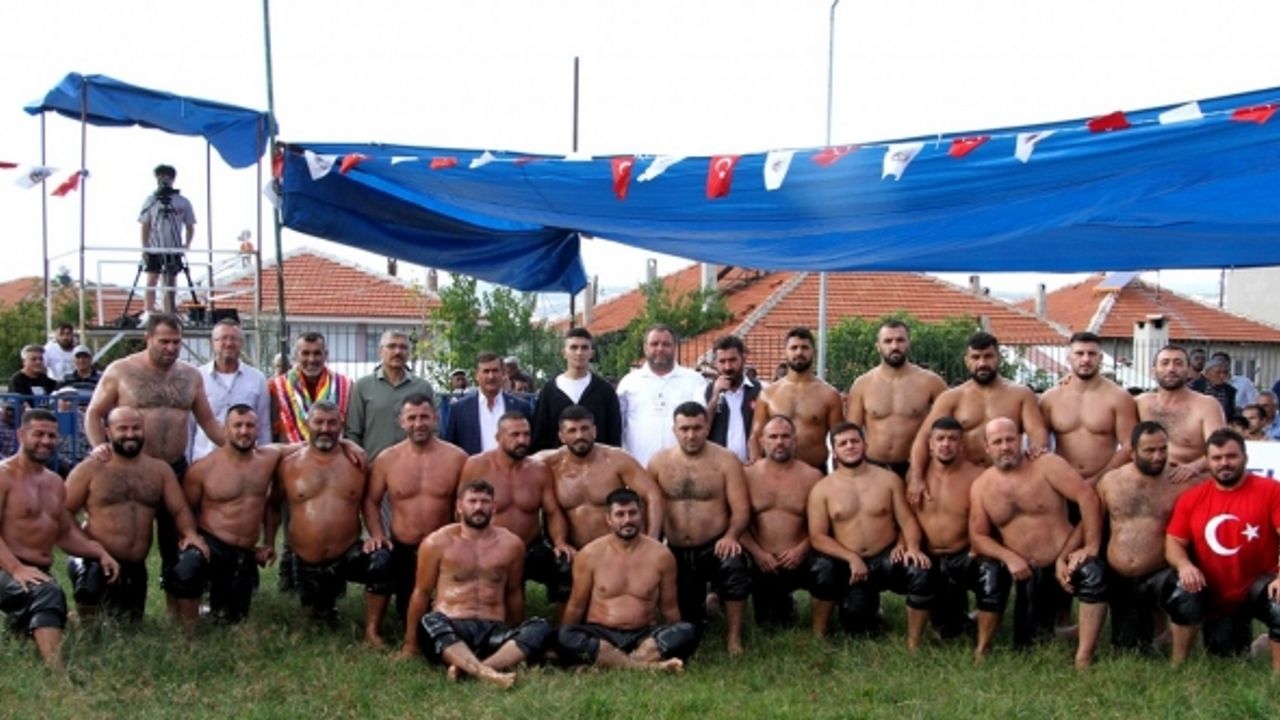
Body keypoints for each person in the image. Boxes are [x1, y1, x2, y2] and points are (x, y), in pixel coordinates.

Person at [85, 313, 224, 616]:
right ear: (147, 338)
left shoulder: (190, 376)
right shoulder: (121, 370)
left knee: (178, 539)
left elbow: (209, 422)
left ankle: (178, 606)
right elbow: (94, 412)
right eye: (164, 341)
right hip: (133, 470)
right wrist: (98, 447)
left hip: (176, 469)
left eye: (176, 342)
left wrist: (239, 445)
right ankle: (116, 604)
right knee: (126, 539)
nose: (171, 348)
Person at [968, 417, 1106, 667]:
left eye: (1010, 439)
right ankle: (1059, 632)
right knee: (1029, 645)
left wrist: (1089, 546)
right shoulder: (981, 486)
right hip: (1027, 570)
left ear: (1021, 439)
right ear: (986, 447)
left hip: (1065, 556)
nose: (1005, 446)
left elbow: (1087, 498)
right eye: (997, 442)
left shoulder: (1046, 465)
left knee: (1093, 573)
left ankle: (1083, 656)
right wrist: (1009, 557)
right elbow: (978, 536)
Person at [399, 480, 552, 688]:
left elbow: (513, 593)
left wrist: (514, 634)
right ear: (459, 506)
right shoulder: (437, 543)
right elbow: (421, 593)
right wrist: (410, 645)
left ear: (494, 507)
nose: (479, 507)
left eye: (485, 502)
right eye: (472, 501)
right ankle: (486, 672)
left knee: (541, 626)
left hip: (493, 630)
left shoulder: (511, 544)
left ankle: (475, 669)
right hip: (451, 628)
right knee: (429, 621)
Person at [64, 407, 208, 626]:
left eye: (136, 428)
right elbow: (63, 513)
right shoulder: (89, 469)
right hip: (95, 559)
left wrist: (190, 533)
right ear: (108, 432)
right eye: (122, 429)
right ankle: (85, 629)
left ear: (144, 430)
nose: (130, 434)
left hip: (134, 566)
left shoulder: (159, 470)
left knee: (129, 625)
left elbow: (179, 509)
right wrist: (88, 547)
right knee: (90, 586)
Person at [0, 409, 119, 668]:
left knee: (49, 603)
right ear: (21, 435)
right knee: (47, 593)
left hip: (36, 569)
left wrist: (99, 552)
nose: (45, 441)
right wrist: (16, 568)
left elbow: (64, 533)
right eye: (38, 434)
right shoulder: (3, 476)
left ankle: (19, 628)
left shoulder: (54, 482)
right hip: (6, 566)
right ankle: (59, 677)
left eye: (51, 436)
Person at [269, 401, 391, 645]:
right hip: (305, 559)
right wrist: (268, 542)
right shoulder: (288, 464)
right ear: (307, 424)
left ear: (341, 425)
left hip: (346, 554)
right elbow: (272, 506)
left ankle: (372, 631)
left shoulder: (358, 462)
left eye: (332, 423)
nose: (325, 428)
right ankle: (321, 604)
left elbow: (369, 503)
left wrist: (377, 535)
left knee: (382, 561)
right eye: (319, 422)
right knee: (316, 620)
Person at [807, 422, 933, 649]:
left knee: (920, 570)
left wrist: (911, 547)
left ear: (865, 445)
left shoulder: (889, 480)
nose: (850, 446)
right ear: (834, 452)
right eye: (843, 443)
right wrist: (851, 558)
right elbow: (817, 537)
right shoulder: (822, 489)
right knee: (857, 625)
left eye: (854, 441)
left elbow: (907, 521)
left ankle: (914, 643)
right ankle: (819, 635)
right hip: (848, 565)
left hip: (885, 557)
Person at [1165, 428, 1280, 672]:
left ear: (1245, 458)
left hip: (1259, 587)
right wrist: (1184, 565)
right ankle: (1178, 667)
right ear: (1207, 462)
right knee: (1226, 655)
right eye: (1217, 458)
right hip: (1215, 592)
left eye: (1231, 456)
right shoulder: (1192, 498)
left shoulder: (1272, 490)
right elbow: (1174, 542)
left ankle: (1277, 675)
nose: (1224, 463)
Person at [535, 405, 664, 612]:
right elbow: (512, 468)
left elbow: (652, 495)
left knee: (620, 614)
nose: (580, 435)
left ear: (594, 431)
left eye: (585, 429)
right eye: (572, 430)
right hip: (572, 551)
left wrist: (652, 540)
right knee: (569, 611)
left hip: (616, 548)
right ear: (561, 436)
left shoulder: (617, 459)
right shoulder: (547, 463)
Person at [178, 404, 299, 625]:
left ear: (257, 429)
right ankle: (187, 633)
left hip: (244, 551)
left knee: (233, 620)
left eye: (250, 425)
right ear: (225, 429)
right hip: (212, 544)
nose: (244, 431)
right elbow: (183, 509)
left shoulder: (268, 458)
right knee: (189, 565)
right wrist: (190, 537)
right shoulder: (203, 468)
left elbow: (310, 445)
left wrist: (347, 445)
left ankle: (217, 606)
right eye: (238, 425)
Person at [648, 401, 751, 655]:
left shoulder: (726, 460)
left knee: (734, 566)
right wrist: (651, 543)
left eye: (697, 428)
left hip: (714, 545)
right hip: (675, 549)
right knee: (691, 623)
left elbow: (741, 509)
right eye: (684, 429)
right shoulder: (659, 462)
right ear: (674, 430)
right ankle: (705, 607)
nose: (691, 435)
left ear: (707, 428)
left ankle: (734, 638)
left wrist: (731, 536)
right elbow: (649, 506)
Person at [557, 487, 698, 672]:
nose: (627, 520)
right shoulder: (589, 554)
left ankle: (610, 663)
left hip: (643, 636)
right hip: (601, 635)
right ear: (609, 519)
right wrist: (564, 641)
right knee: (565, 636)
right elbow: (576, 606)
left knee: (687, 630)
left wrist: (675, 636)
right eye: (620, 514)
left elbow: (669, 607)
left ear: (641, 515)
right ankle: (644, 666)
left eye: (633, 513)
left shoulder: (661, 556)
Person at [1095, 421, 1206, 654]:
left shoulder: (1183, 482)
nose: (1158, 456)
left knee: (1187, 590)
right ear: (1132, 452)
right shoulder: (1110, 481)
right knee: (1128, 649)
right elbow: (1093, 522)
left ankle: (1179, 660)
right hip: (1120, 575)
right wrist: (1075, 552)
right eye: (1150, 451)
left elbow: (1223, 488)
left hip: (1160, 572)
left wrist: (1196, 468)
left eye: (1163, 449)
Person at [908, 331, 1050, 506]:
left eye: (988, 356)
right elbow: (924, 437)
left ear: (998, 358)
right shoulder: (952, 398)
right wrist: (916, 477)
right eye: (975, 357)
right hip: (965, 480)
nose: (982, 363)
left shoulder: (1021, 395)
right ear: (967, 361)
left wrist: (1032, 469)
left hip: (1008, 477)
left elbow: (1038, 434)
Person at [363, 394, 466, 619]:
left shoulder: (457, 458)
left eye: (424, 417)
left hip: (444, 548)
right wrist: (378, 535)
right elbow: (371, 500)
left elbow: (465, 505)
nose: (418, 424)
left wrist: (461, 540)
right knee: (407, 614)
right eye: (412, 418)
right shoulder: (387, 459)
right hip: (402, 547)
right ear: (401, 421)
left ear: (435, 418)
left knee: (445, 619)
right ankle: (373, 630)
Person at [268, 331, 353, 589]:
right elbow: (270, 428)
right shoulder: (276, 387)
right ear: (296, 355)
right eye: (305, 353)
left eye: (317, 353)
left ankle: (331, 576)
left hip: (332, 464)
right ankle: (289, 574)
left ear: (326, 355)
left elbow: (350, 427)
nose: (311, 359)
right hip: (292, 465)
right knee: (292, 520)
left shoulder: (345, 386)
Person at [458, 412, 572, 602]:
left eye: (526, 434)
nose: (522, 440)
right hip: (491, 545)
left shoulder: (539, 470)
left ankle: (564, 620)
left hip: (532, 546)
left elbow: (552, 512)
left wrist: (560, 542)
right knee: (493, 598)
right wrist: (468, 543)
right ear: (498, 437)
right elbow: (462, 508)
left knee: (565, 567)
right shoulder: (477, 465)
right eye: (515, 435)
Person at [914, 416, 1001, 640]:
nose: (946, 444)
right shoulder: (916, 478)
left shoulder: (977, 475)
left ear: (961, 445)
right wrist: (910, 546)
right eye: (940, 438)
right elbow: (908, 517)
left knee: (992, 571)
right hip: (929, 556)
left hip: (964, 554)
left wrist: (979, 545)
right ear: (930, 444)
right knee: (948, 631)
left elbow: (991, 518)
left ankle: (984, 639)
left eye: (952, 439)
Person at [741, 415, 823, 629]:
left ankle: (822, 624)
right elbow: (736, 523)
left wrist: (801, 550)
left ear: (795, 440)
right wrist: (757, 553)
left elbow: (823, 525)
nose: (780, 442)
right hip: (760, 560)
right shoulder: (746, 475)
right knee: (769, 625)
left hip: (800, 557)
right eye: (773, 436)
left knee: (827, 568)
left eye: (785, 436)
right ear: (762, 441)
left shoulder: (813, 476)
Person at [844, 320, 948, 478]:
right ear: (878, 346)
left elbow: (948, 427)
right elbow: (851, 432)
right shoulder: (862, 385)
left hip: (915, 466)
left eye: (900, 340)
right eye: (888, 341)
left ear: (908, 343)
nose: (894, 346)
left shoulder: (931, 382)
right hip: (873, 467)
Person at [1040, 332, 1139, 484]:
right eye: (1079, 353)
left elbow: (1129, 445)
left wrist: (1098, 479)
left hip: (1105, 481)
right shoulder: (1050, 398)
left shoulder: (1118, 397)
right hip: (1060, 481)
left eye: (1092, 354)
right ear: (1068, 357)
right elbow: (1038, 444)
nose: (1086, 359)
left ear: (1101, 358)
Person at [750, 327, 844, 472]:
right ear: (785, 352)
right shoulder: (768, 394)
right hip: (775, 472)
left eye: (804, 348)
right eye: (794, 348)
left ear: (813, 352)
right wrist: (757, 469)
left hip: (815, 472)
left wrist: (841, 476)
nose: (799, 352)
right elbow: (756, 437)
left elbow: (839, 439)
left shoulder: (829, 395)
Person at [616, 325, 708, 467]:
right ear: (645, 347)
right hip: (638, 469)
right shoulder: (629, 382)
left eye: (666, 344)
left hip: (684, 469)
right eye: (654, 344)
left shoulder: (694, 380)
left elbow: (703, 423)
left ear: (675, 347)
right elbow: (618, 425)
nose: (660, 349)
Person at [1136, 346, 1226, 483]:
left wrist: (1194, 467)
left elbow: (1220, 448)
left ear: (1189, 370)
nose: (1171, 369)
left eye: (1178, 363)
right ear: (1153, 371)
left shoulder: (1207, 405)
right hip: (1147, 477)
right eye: (1165, 363)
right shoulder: (1141, 403)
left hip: (1190, 479)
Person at [188, 319, 271, 464]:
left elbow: (263, 426)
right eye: (223, 338)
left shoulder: (257, 379)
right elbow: (189, 426)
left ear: (242, 343)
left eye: (234, 339)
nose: (229, 343)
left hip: (246, 462)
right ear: (212, 343)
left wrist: (265, 462)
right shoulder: (197, 377)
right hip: (205, 461)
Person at [346, 330, 435, 462]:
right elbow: (353, 431)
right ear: (380, 351)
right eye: (392, 346)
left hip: (414, 466)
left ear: (409, 353)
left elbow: (434, 429)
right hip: (373, 465)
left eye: (403, 347)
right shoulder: (362, 386)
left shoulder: (423, 387)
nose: (398, 351)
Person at [531, 327, 622, 452]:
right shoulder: (549, 391)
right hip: (558, 463)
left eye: (584, 347)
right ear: (564, 353)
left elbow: (613, 435)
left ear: (591, 353)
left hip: (597, 462)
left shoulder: (605, 391)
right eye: (573, 347)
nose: (579, 352)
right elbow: (539, 435)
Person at [443, 352, 533, 456]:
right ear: (476, 375)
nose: (491, 376)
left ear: (503, 373)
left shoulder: (521, 407)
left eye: (495, 371)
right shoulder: (459, 409)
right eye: (486, 371)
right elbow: (450, 448)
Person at [138, 163, 196, 315]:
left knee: (169, 281)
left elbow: (190, 225)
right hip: (154, 247)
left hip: (173, 247)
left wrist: (186, 245)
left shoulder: (182, 201)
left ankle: (168, 312)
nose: (162, 180)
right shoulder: (151, 200)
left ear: (172, 179)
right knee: (151, 279)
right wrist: (145, 247)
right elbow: (145, 225)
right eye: (159, 177)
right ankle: (149, 311)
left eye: (166, 177)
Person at [705, 335, 761, 463]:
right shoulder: (704, 392)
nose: (728, 367)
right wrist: (715, 397)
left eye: (732, 360)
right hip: (717, 467)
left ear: (743, 359)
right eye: (722, 361)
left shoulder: (761, 389)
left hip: (752, 467)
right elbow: (701, 429)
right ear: (715, 363)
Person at [1200, 356, 1238, 421]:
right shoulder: (1195, 387)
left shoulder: (1230, 391)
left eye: (1225, 373)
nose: (1222, 376)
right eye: (1218, 372)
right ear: (1207, 374)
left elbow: (1230, 414)